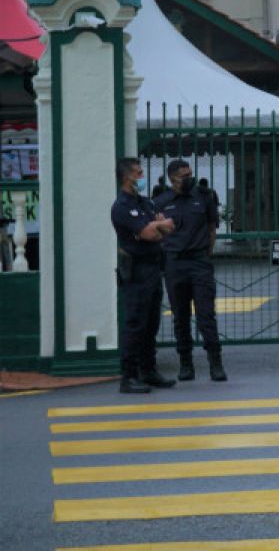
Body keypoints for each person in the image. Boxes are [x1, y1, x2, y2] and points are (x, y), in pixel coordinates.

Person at [155, 159, 226, 382]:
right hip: (174, 264)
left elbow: (211, 229)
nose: (189, 179)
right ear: (171, 179)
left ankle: (216, 363)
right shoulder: (161, 202)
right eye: (183, 176)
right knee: (181, 317)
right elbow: (156, 235)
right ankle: (186, 364)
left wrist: (205, 254)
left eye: (190, 174)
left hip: (199, 262)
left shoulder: (204, 196)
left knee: (206, 315)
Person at [110, 157, 176, 394]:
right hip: (136, 271)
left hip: (153, 268)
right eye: (138, 173)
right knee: (135, 324)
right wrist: (157, 227)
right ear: (127, 176)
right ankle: (129, 376)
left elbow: (169, 227)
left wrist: (157, 227)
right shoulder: (122, 207)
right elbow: (150, 233)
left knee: (151, 324)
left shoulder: (145, 203)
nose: (142, 176)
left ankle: (149, 370)